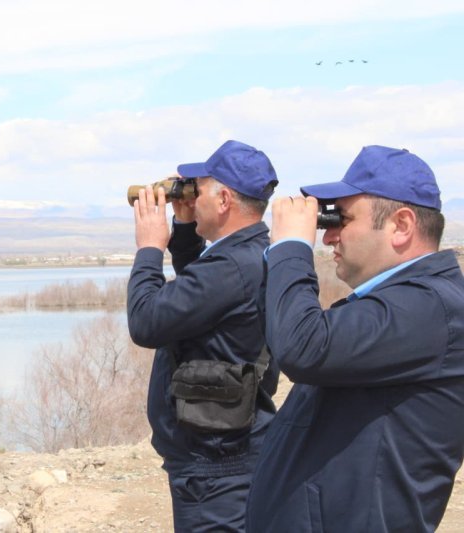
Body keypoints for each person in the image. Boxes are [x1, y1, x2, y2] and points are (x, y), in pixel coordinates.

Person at [246, 145, 464, 532]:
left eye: (340, 219)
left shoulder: (431, 308)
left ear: (401, 225)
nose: (328, 237)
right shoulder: (401, 304)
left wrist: (292, 247)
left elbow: (303, 348)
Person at [127, 140, 280, 531]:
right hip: (229, 452)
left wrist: (149, 248)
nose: (192, 195)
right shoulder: (254, 253)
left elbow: (146, 322)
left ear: (224, 198)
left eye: (201, 187)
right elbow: (202, 298)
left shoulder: (228, 267)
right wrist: (182, 228)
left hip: (214, 467)